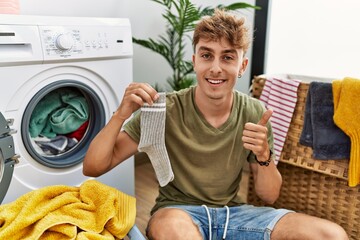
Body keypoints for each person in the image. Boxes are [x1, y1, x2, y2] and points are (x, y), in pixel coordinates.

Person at [83, 9, 348, 240]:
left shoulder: (255, 111)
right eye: (207, 55)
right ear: (194, 61)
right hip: (178, 214)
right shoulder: (164, 110)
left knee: (332, 234)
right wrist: (121, 114)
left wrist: (264, 155)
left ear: (242, 66)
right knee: (171, 229)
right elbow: (93, 166)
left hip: (236, 215)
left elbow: (269, 196)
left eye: (228, 57)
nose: (216, 68)